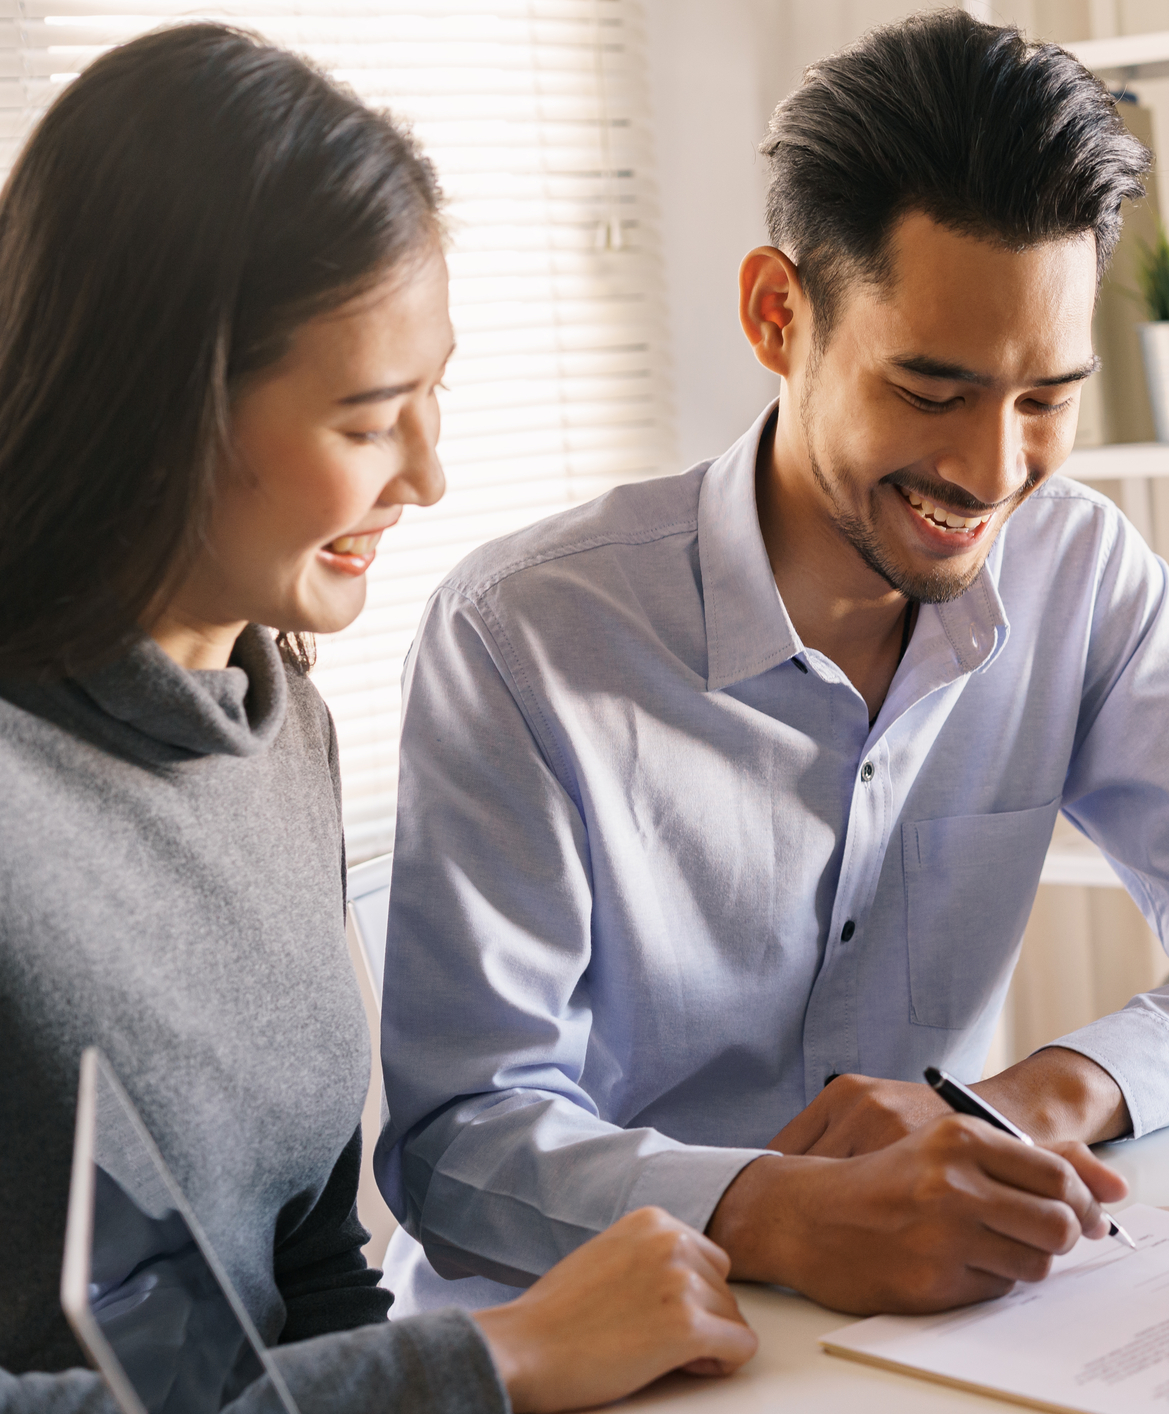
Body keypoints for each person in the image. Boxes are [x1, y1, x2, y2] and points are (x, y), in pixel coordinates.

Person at [376, 9, 1169, 1318]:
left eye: (1044, 398)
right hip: (587, 1339)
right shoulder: (525, 632)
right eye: (932, 389)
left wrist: (1032, 1097)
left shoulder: (1074, 570)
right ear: (774, 313)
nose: (991, 472)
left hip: (929, 1327)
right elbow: (455, 1143)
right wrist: (775, 1212)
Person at [0, 25, 755, 1411]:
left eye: (435, 392)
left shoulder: (276, 722)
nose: (432, 470)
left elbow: (311, 1264)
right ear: (159, 408)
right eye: (368, 416)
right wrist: (497, 1357)